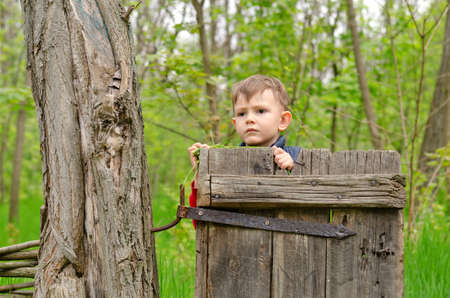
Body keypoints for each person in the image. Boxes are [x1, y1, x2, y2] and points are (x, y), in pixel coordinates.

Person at [187, 75, 301, 227]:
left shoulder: (296, 156)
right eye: (242, 114)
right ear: (235, 123)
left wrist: (292, 169)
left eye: (260, 111)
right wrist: (201, 175)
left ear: (283, 120)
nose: (249, 119)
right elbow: (201, 223)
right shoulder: (226, 164)